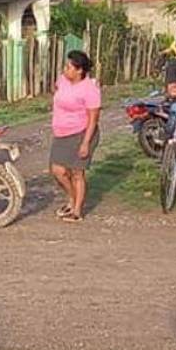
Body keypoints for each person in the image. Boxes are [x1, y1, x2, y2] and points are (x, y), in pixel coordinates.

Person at [49, 51, 101, 222]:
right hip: (61, 133)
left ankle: (77, 211)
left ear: (79, 70)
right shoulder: (62, 80)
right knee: (58, 170)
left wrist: (86, 143)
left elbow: (93, 118)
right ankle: (72, 198)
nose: (65, 69)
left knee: (77, 172)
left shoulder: (90, 89)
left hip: (82, 133)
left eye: (69, 67)